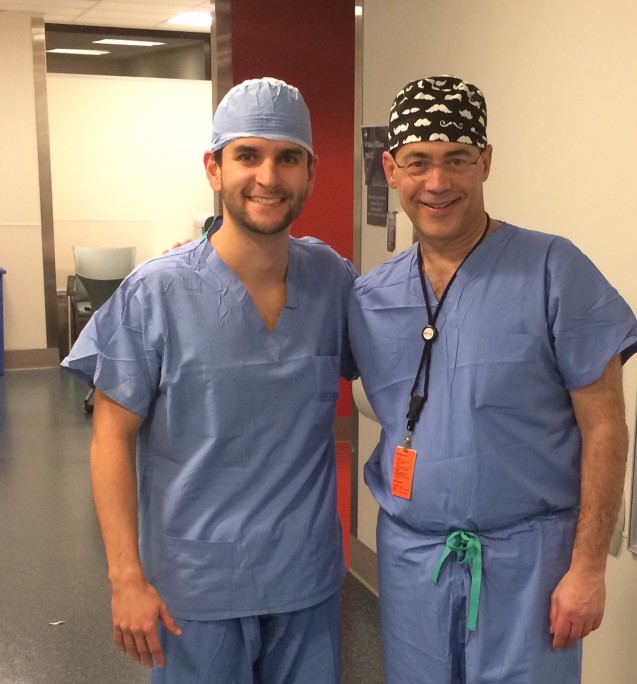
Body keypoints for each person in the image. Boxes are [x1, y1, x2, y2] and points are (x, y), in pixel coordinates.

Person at [62, 77, 356, 683]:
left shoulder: (333, 281)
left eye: (287, 158)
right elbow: (111, 439)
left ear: (310, 171)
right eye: (247, 155)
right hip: (194, 592)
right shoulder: (156, 292)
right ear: (214, 168)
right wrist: (125, 578)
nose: (268, 177)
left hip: (305, 581)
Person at [348, 75, 637, 683]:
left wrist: (588, 568)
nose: (437, 182)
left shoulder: (554, 270)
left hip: (530, 566)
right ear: (391, 169)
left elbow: (606, 424)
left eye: (457, 160)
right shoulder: (370, 296)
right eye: (418, 162)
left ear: (485, 162)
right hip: (412, 560)